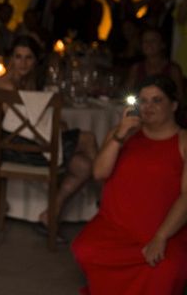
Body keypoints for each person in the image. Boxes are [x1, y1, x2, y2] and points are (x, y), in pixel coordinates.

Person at [73, 75, 187, 294]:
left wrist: (160, 237)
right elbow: (99, 172)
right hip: (117, 227)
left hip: (164, 230)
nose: (148, 107)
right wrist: (120, 135)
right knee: (85, 249)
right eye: (143, 100)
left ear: (173, 105)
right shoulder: (122, 134)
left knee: (165, 270)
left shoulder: (183, 141)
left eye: (157, 100)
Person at [0, 36, 98, 240]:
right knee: (88, 139)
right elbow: (21, 124)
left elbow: (35, 121)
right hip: (11, 146)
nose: (22, 63)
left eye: (28, 58)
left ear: (35, 61)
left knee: (84, 166)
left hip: (31, 141)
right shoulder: (4, 84)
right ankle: (105, 202)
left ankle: (50, 214)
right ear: (10, 59)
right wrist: (56, 125)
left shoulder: (29, 83)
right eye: (18, 57)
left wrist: (56, 124)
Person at [126, 27, 184, 102]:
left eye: (153, 41)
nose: (148, 44)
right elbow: (127, 93)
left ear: (162, 44)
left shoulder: (173, 69)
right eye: (145, 41)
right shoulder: (136, 68)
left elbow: (180, 98)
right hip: (141, 109)